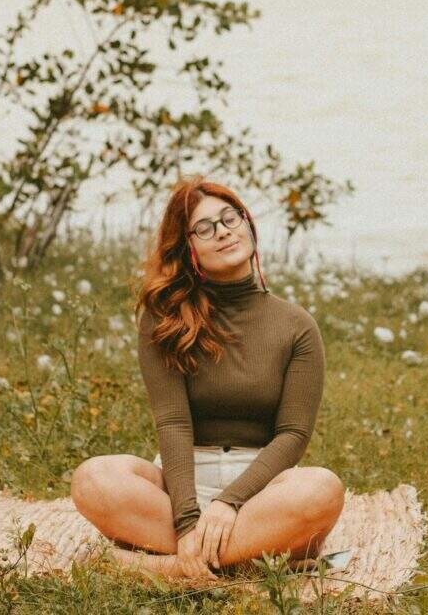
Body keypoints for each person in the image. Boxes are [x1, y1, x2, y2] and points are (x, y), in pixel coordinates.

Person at [71, 176, 344, 581]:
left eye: (230, 218)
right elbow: (173, 422)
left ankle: (155, 567)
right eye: (205, 227)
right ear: (189, 248)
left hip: (260, 490)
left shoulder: (297, 326)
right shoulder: (164, 319)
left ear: (247, 223)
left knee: (322, 488)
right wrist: (186, 520)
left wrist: (230, 502)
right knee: (92, 478)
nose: (223, 232)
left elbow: (292, 436)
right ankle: (251, 559)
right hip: (179, 484)